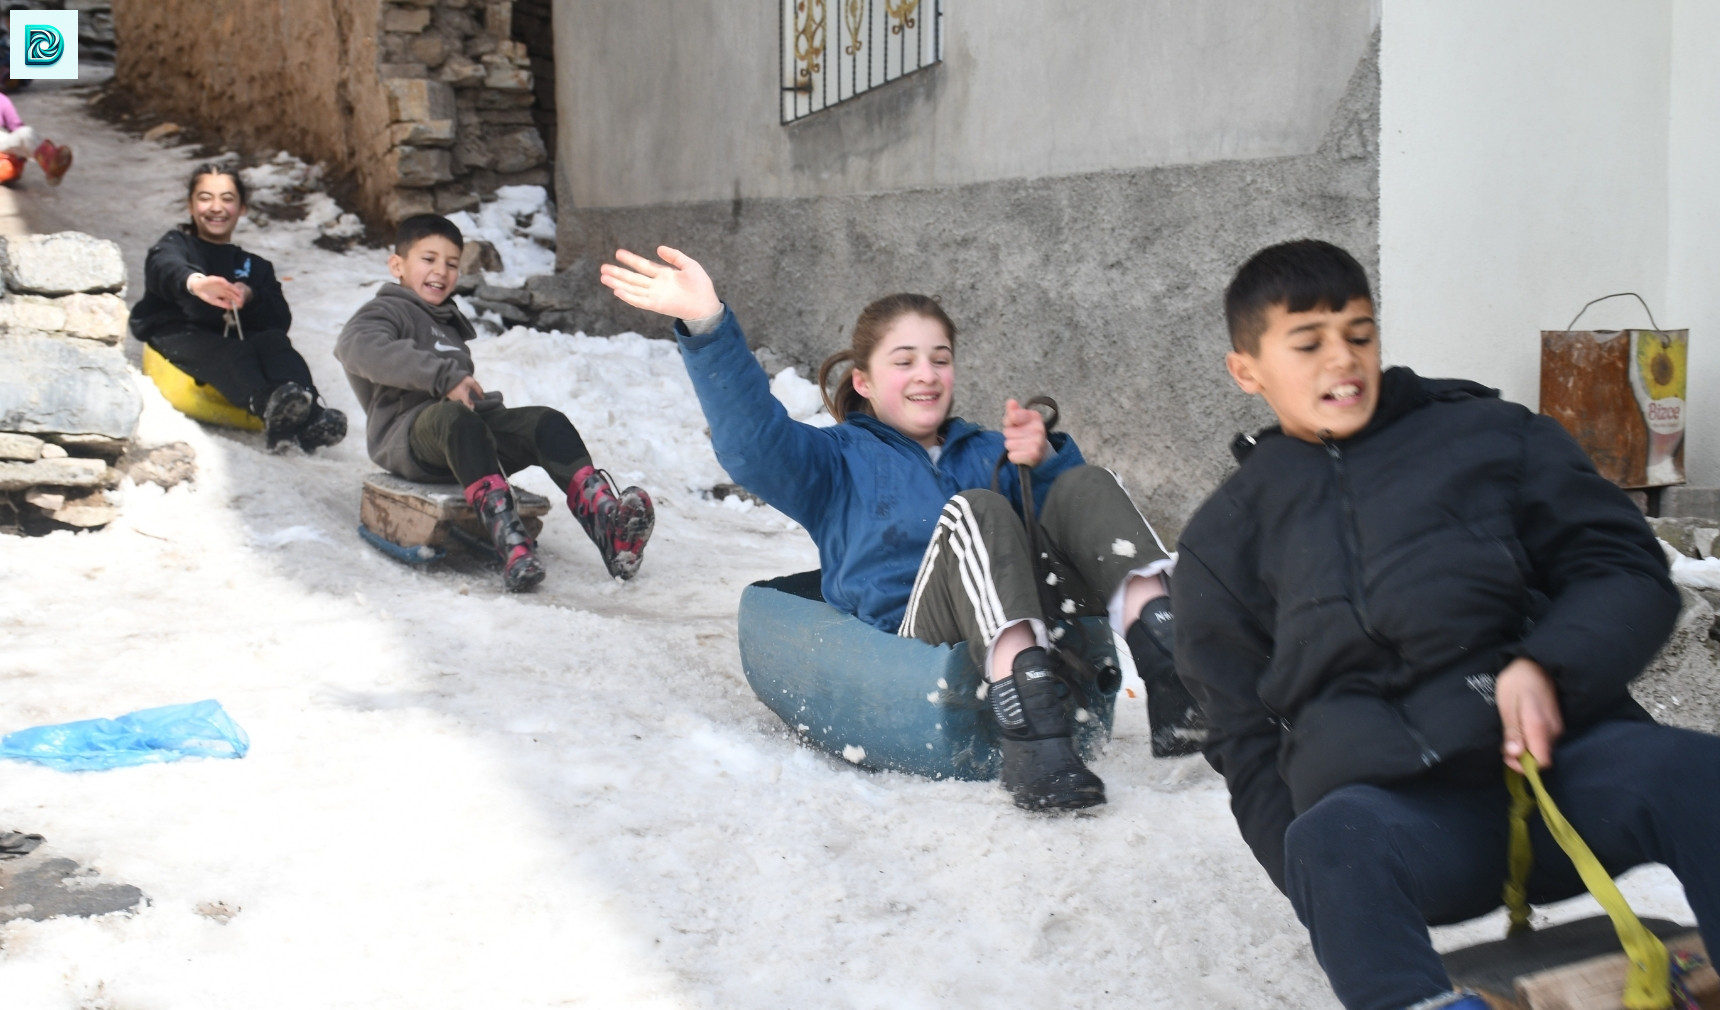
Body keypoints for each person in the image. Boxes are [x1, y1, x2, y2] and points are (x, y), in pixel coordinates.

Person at [1173, 239, 1720, 1010]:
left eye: (1359, 334)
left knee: (1698, 774)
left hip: (1566, 778)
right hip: (1412, 830)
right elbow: (1244, 736)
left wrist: (1546, 666)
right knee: (1327, 842)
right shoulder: (1222, 543)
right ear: (1247, 370)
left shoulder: (1493, 438)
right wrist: (1318, 883)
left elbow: (1623, 569)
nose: (1344, 360)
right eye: (1309, 343)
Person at [601, 246, 1207, 812]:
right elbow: (753, 443)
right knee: (978, 510)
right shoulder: (834, 461)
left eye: (940, 359)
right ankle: (1031, 732)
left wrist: (1046, 461)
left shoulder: (989, 450)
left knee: (1088, 483)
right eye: (905, 360)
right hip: (920, 634)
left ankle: (1177, 670)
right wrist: (708, 324)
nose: (927, 373)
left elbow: (1079, 534)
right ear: (863, 381)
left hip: (1038, 616)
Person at [335, 214, 654, 592]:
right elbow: (355, 346)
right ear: (397, 265)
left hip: (462, 441)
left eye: (452, 263)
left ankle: (609, 528)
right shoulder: (385, 311)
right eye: (428, 259)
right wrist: (444, 378)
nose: (441, 270)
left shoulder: (446, 323)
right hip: (409, 441)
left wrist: (490, 413)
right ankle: (510, 543)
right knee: (455, 418)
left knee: (545, 423)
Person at [129, 164, 344, 451]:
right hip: (180, 336)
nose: (216, 207)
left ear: (242, 208)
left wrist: (251, 295)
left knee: (274, 342)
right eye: (205, 198)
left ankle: (309, 413)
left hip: (231, 340)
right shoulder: (176, 245)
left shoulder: (254, 266)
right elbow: (163, 267)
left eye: (227, 199)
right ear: (190, 205)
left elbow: (279, 319)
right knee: (234, 352)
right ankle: (269, 404)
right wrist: (196, 283)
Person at [0, 89, 70, 186]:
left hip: (3, 143)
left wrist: (22, 150)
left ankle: (50, 163)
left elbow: (17, 128)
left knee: (26, 133)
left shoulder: (3, 100)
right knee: (8, 168)